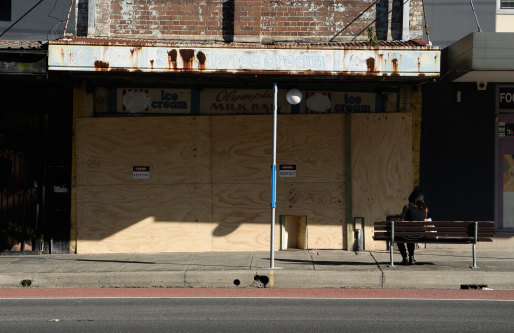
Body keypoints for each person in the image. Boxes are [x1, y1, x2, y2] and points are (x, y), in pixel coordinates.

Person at [397, 189, 428, 265]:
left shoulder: (407, 207)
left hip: (409, 234)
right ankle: (411, 258)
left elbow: (401, 222)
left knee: (399, 236)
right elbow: (424, 222)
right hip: (421, 235)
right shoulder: (425, 209)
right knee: (411, 233)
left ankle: (405, 258)